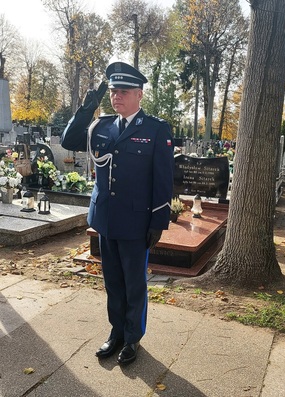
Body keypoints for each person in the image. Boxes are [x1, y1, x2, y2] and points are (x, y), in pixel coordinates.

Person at [61, 62, 174, 365]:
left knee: (134, 283)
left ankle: (133, 338)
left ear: (139, 94)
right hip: (105, 220)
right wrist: (86, 108)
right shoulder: (101, 125)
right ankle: (117, 333)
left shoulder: (155, 129)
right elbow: (68, 142)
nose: (116, 96)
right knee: (112, 281)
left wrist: (158, 222)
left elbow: (163, 181)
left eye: (123, 91)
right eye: (112, 91)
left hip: (137, 222)